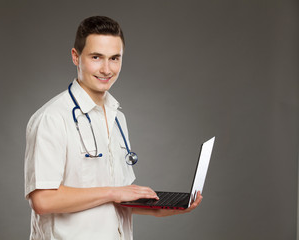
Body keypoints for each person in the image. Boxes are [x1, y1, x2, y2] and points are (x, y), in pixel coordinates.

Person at [24, 15, 202, 240]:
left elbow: (117, 199)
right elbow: (42, 200)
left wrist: (159, 208)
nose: (107, 69)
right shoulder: (52, 118)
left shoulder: (117, 116)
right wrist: (113, 192)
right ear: (76, 57)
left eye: (115, 58)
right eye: (96, 57)